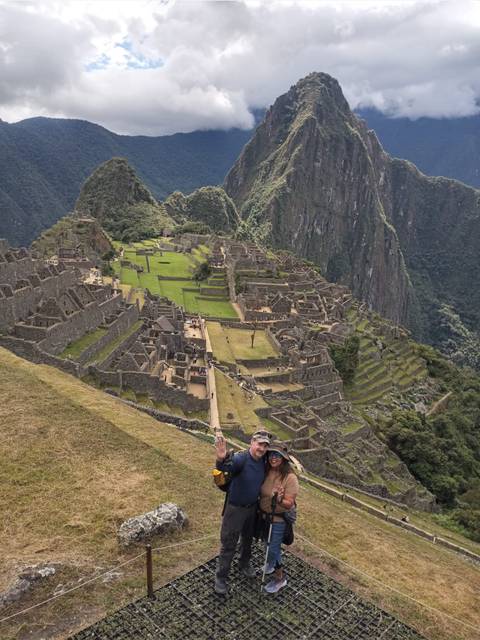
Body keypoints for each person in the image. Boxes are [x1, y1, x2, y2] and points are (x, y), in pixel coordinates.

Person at [214, 429, 272, 595]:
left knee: (247, 539)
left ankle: (244, 563)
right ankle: (221, 577)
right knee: (229, 544)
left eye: (265, 446)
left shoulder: (264, 461)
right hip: (235, 509)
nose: (262, 448)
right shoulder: (240, 459)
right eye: (260, 444)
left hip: (252, 508)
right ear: (252, 443)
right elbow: (221, 475)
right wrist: (220, 459)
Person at [259, 444, 299, 594]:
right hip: (264, 516)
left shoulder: (290, 478)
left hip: (278, 520)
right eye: (271, 455)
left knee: (273, 549)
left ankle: (280, 579)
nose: (273, 458)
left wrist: (280, 500)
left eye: (277, 455)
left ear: (283, 458)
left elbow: (289, 504)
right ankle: (270, 564)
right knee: (266, 543)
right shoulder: (268, 471)